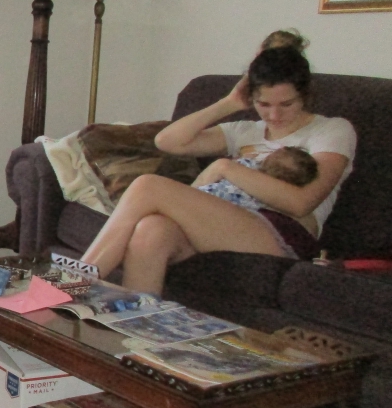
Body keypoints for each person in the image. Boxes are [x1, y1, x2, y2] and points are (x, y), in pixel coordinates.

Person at [81, 30, 356, 294]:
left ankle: (69, 285)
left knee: (147, 186)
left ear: (305, 95)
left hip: (283, 235)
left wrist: (225, 167)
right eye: (263, 104)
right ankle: (137, 320)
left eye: (286, 104)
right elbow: (167, 141)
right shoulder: (245, 130)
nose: (274, 115)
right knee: (151, 230)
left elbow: (301, 203)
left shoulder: (331, 130)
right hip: (224, 224)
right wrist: (230, 103)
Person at [194, 146, 319, 211]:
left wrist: (246, 158)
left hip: (206, 195)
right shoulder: (269, 199)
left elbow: (234, 163)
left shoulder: (249, 166)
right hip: (225, 210)